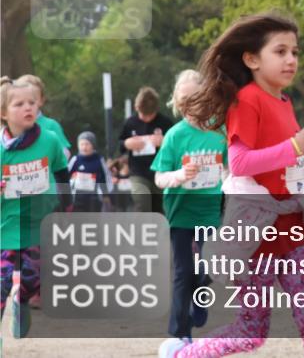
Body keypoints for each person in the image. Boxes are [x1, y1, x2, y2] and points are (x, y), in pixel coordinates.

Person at [158, 13, 304, 358]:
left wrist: (302, 166)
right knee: (252, 331)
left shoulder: (285, 101)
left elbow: (274, 159)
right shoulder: (247, 100)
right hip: (256, 232)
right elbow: (240, 163)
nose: (291, 60)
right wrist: (297, 146)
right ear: (252, 59)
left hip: (292, 225)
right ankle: (184, 354)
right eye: (280, 51)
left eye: (295, 52)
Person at [152, 70, 227, 348]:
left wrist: (230, 182)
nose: (188, 105)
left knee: (210, 267)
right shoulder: (175, 135)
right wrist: (180, 175)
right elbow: (159, 178)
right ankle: (180, 333)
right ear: (176, 102)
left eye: (193, 98)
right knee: (184, 271)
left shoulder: (220, 132)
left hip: (210, 209)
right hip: (181, 212)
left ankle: (200, 298)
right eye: (182, 100)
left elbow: (232, 168)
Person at [0, 77, 71, 339]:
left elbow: (62, 175)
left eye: (31, 102)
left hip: (38, 227)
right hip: (6, 228)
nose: (28, 108)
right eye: (19, 104)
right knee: (1, 283)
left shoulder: (49, 140)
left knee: (31, 280)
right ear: (3, 113)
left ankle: (23, 301)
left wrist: (67, 209)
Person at [119, 86, 173, 214]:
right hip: (138, 172)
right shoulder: (130, 123)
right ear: (137, 108)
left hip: (161, 171)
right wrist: (127, 143)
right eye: (143, 115)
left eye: (150, 116)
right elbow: (119, 145)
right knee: (142, 203)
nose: (146, 119)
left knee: (160, 208)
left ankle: (160, 233)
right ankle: (142, 232)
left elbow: (177, 146)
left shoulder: (165, 122)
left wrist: (164, 141)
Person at [16, 74, 72, 159]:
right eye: (21, 99)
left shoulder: (51, 125)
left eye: (32, 99)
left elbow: (64, 153)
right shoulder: (12, 126)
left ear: (41, 100)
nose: (27, 105)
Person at [67, 131, 113, 213]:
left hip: (94, 197)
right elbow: (65, 175)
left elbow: (105, 177)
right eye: (82, 144)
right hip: (77, 197)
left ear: (93, 145)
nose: (84, 147)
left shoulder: (99, 159)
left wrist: (106, 195)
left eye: (87, 144)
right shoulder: (75, 159)